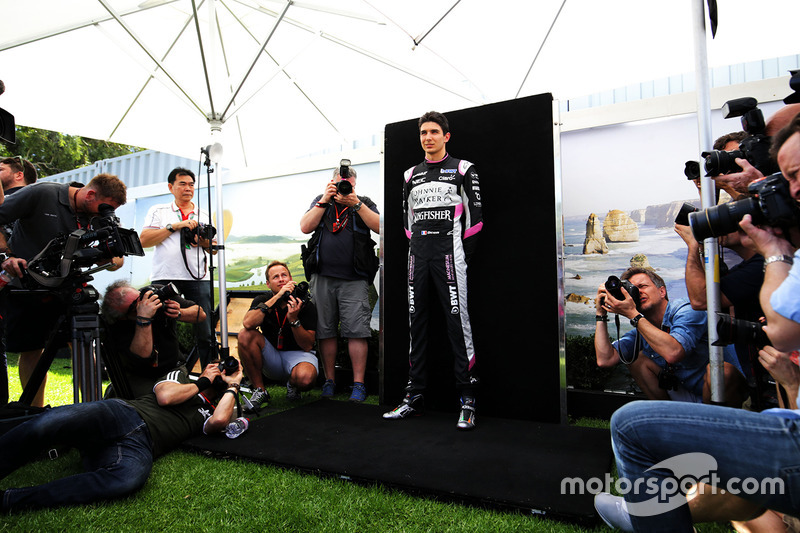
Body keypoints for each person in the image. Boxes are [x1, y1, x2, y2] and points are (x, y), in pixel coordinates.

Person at [593, 114, 800, 533]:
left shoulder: (685, 309)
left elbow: (711, 318)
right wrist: (602, 315)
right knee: (740, 497)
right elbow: (605, 362)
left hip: (744, 408)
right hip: (784, 418)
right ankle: (648, 509)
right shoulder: (639, 326)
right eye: (788, 178)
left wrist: (773, 246)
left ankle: (643, 513)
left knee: (631, 425)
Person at [0, 362, 242, 512]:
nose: (223, 371)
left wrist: (234, 385)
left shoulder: (212, 410)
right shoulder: (180, 375)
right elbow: (165, 397)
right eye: (220, 366)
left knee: (126, 479)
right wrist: (203, 381)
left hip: (141, 445)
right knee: (50, 422)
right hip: (121, 413)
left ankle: (12, 500)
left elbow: (220, 421)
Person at [383, 110, 483, 430]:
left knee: (458, 325)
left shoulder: (463, 169)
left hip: (450, 257)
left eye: (434, 132)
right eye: (424, 132)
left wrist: (460, 255)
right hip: (418, 257)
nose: (428, 137)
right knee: (417, 325)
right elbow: (406, 222)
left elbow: (476, 220)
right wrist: (419, 248)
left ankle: (467, 399)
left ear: (446, 136)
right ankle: (414, 397)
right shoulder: (410, 174)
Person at [0, 173, 127, 408]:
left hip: (69, 287)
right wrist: (6, 255)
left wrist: (106, 257)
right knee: (31, 350)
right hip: (26, 286)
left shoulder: (101, 213)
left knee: (82, 345)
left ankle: (90, 410)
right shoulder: (42, 193)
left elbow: (117, 260)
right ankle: (34, 412)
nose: (105, 214)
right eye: (104, 208)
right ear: (90, 194)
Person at [595, 267, 743, 404]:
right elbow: (605, 359)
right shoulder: (643, 330)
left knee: (723, 371)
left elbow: (674, 352)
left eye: (643, 286)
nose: (638, 292)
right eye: (633, 289)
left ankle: (705, 427)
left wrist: (633, 314)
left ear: (662, 292)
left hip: (722, 394)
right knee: (636, 360)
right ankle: (669, 417)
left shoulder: (687, 310)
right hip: (685, 392)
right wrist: (600, 314)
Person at [299, 163, 380, 402]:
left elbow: (380, 226)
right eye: (340, 185)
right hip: (322, 277)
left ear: (355, 185)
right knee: (325, 331)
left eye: (349, 186)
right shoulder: (321, 200)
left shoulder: (363, 201)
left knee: (357, 332)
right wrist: (325, 198)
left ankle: (358, 384)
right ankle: (329, 381)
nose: (344, 189)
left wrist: (356, 203)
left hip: (354, 278)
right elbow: (305, 227)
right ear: (332, 183)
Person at [674, 223, 758, 407]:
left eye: (731, 220)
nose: (720, 227)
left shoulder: (759, 268)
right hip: (757, 376)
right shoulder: (751, 268)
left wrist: (693, 246)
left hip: (772, 375)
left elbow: (699, 299)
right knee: (718, 373)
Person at [139, 167, 216, 368]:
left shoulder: (204, 214)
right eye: (182, 184)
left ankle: (211, 378)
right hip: (165, 276)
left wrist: (204, 243)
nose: (188, 188)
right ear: (170, 187)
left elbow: (215, 249)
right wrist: (174, 226)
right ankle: (165, 373)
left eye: (191, 184)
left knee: (205, 331)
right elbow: (144, 240)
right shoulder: (159, 211)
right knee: (162, 327)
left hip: (198, 277)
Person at [101, 280, 208, 398]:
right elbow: (143, 356)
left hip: (171, 368)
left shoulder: (154, 293)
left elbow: (201, 314)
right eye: (136, 306)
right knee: (142, 401)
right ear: (123, 317)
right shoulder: (116, 326)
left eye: (141, 297)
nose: (145, 303)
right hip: (140, 374)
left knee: (167, 397)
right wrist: (144, 318)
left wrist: (179, 312)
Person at [237, 261, 318, 405]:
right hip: (272, 355)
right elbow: (248, 323)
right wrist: (278, 296)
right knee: (245, 334)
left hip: (298, 355)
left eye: (284, 275)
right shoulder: (263, 300)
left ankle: (292, 385)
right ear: (268, 284)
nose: (281, 279)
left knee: (305, 378)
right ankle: (260, 391)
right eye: (275, 277)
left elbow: (307, 345)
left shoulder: (304, 302)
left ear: (290, 278)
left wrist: (294, 320)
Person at [0, 156, 36, 407]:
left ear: (19, 174)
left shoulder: (31, 198)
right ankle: (29, 410)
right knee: (30, 347)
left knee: (33, 346)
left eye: (0, 168)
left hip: (26, 284)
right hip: (11, 284)